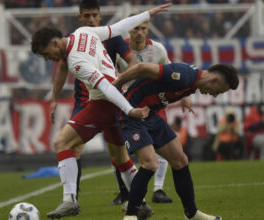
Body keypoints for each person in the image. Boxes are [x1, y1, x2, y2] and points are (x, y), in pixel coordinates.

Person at [31, 3, 171, 219]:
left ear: (55, 42)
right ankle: (140, 203)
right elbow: (118, 28)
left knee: (62, 143)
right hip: (115, 99)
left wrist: (129, 109)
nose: (47, 58)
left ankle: (69, 200)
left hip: (105, 103)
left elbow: (105, 86)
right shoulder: (83, 32)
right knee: (120, 157)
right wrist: (147, 14)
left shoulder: (76, 61)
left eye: (45, 53)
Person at [112, 62, 239, 220]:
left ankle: (192, 214)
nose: (214, 95)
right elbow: (141, 68)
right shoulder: (184, 77)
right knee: (150, 164)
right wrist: (117, 83)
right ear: (214, 80)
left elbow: (171, 80)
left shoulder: (192, 82)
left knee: (180, 160)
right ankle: (131, 215)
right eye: (218, 91)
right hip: (132, 113)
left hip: (149, 114)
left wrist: (184, 97)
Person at [53, 0, 139, 207]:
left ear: (100, 17)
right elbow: (62, 69)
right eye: (87, 16)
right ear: (80, 18)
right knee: (73, 147)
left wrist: (123, 84)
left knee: (118, 153)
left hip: (110, 98)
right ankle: (73, 197)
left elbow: (133, 63)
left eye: (94, 16)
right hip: (84, 101)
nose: (91, 20)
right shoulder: (73, 39)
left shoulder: (113, 38)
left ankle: (128, 195)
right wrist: (53, 98)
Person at [117, 14, 194, 204]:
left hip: (153, 102)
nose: (139, 32)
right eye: (136, 28)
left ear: (148, 30)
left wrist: (184, 97)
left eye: (143, 28)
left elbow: (171, 73)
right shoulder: (120, 50)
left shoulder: (157, 49)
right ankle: (126, 191)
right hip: (127, 104)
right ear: (129, 29)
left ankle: (158, 189)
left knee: (165, 142)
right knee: (120, 150)